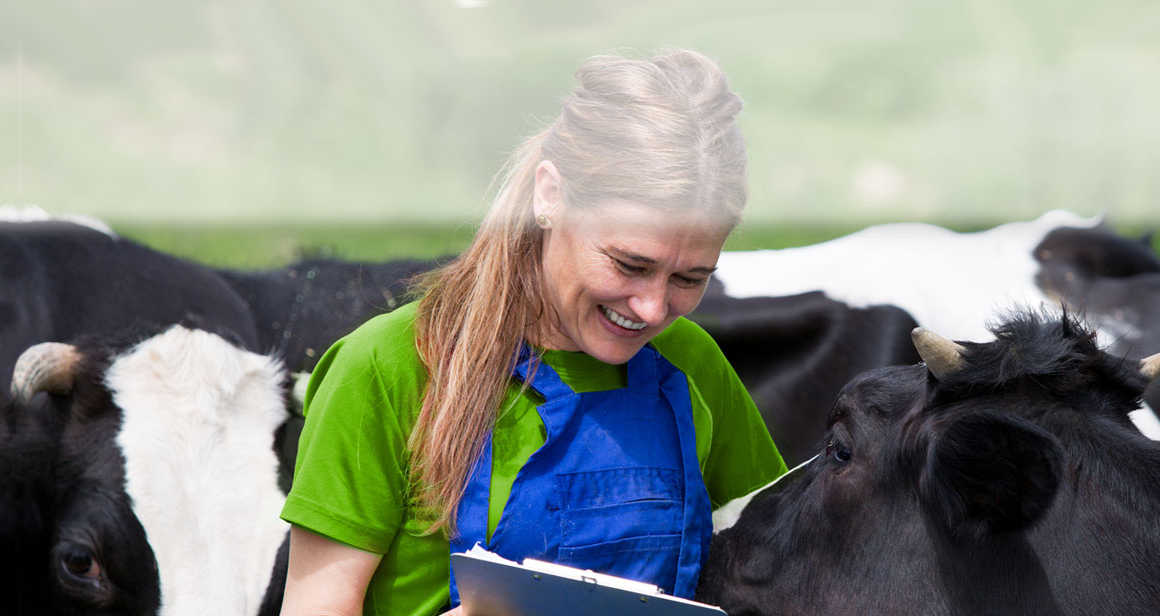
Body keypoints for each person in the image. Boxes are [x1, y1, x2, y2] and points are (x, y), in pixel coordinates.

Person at [279, 49, 787, 616]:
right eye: (629, 264)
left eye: (690, 278)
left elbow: (785, 565)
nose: (650, 308)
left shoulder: (690, 363)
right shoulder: (389, 367)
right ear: (551, 195)